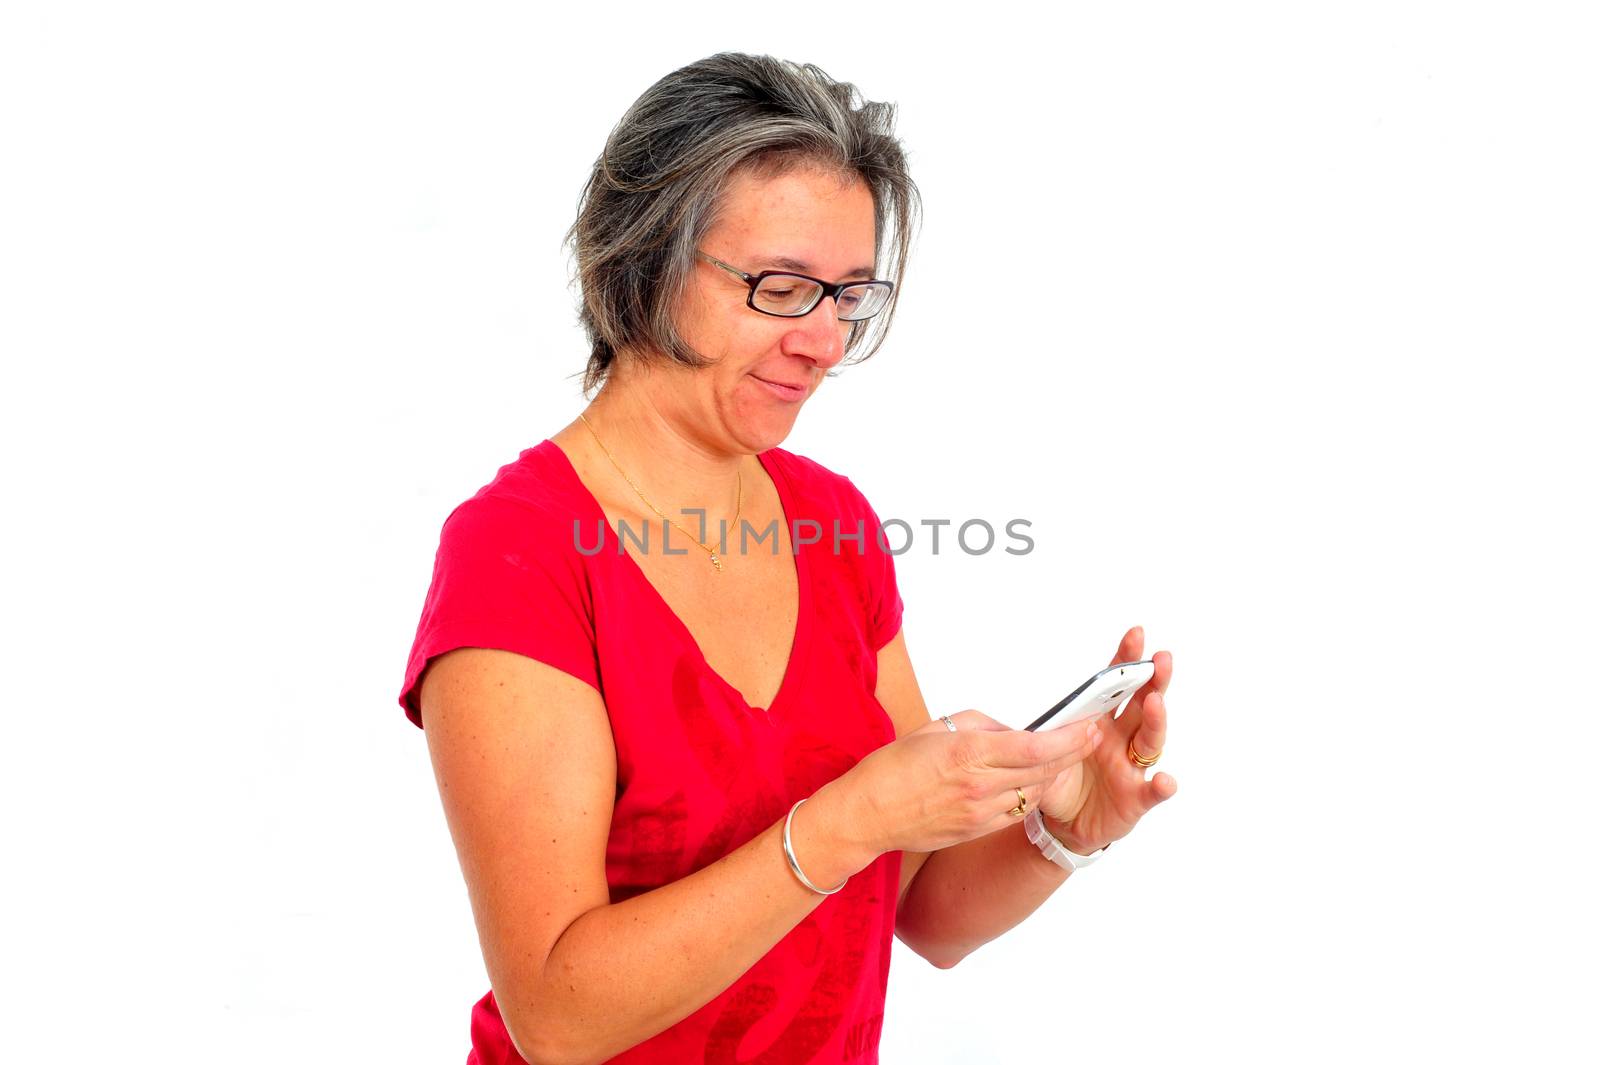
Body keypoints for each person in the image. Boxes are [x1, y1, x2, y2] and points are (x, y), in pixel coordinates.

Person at [396, 52, 1178, 1065]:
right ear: (644, 262)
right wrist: (848, 818)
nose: (822, 340)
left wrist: (1066, 825)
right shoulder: (518, 550)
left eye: (848, 295)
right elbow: (557, 1015)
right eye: (780, 287)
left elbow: (923, 912)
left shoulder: (833, 524)